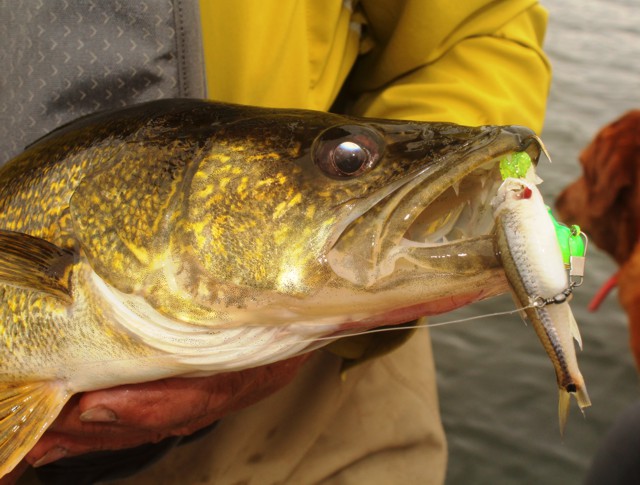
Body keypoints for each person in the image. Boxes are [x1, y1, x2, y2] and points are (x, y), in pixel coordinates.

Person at [0, 1, 550, 483]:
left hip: (317, 403)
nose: (348, 166)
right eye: (346, 163)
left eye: (347, 160)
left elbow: (483, 29)